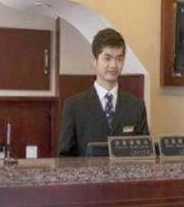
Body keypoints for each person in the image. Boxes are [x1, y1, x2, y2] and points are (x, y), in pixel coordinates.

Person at [58, 28, 149, 156]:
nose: (113, 65)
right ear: (94, 60)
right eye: (107, 58)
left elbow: (145, 154)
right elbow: (64, 157)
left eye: (119, 59)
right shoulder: (74, 106)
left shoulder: (136, 106)